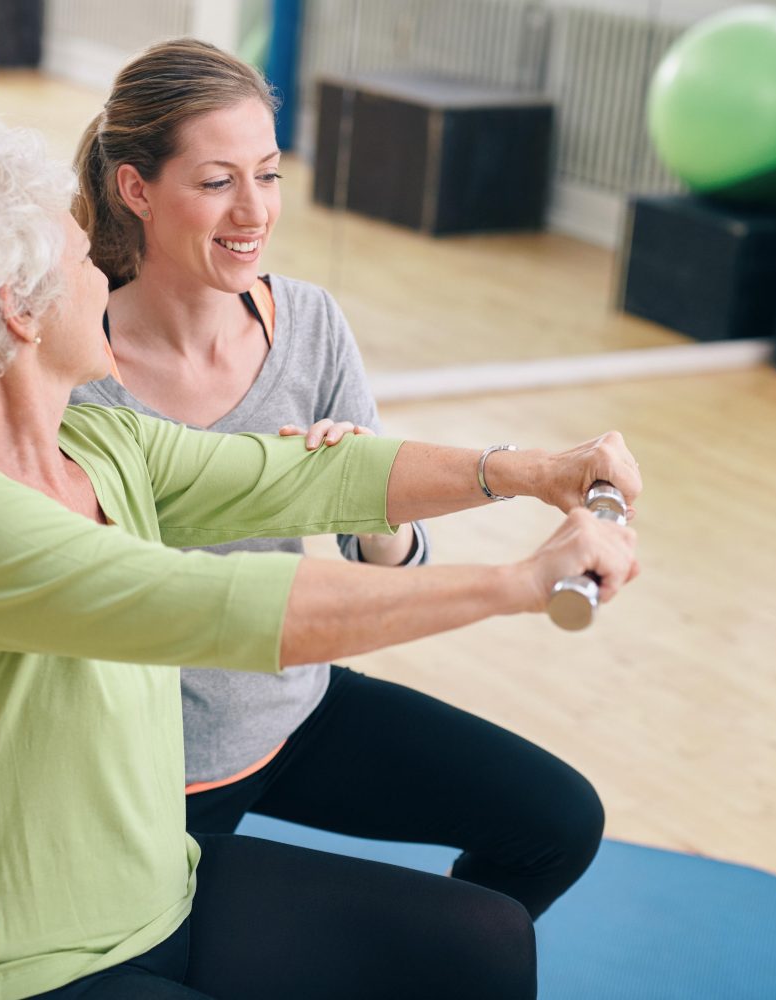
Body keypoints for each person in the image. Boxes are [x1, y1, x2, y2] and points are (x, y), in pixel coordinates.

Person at [0, 111, 639, 1000]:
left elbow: (308, 474)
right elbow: (219, 605)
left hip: (161, 893)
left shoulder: (98, 443)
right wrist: (519, 582)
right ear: (19, 309)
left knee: (483, 941)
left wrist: (539, 472)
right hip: (15, 965)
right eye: (85, 260)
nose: (103, 275)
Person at [72, 38, 606, 919]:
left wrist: (363, 490)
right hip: (148, 764)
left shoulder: (310, 322)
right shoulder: (77, 372)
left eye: (268, 174)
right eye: (217, 181)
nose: (254, 210)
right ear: (137, 188)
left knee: (559, 821)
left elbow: (385, 565)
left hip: (294, 710)